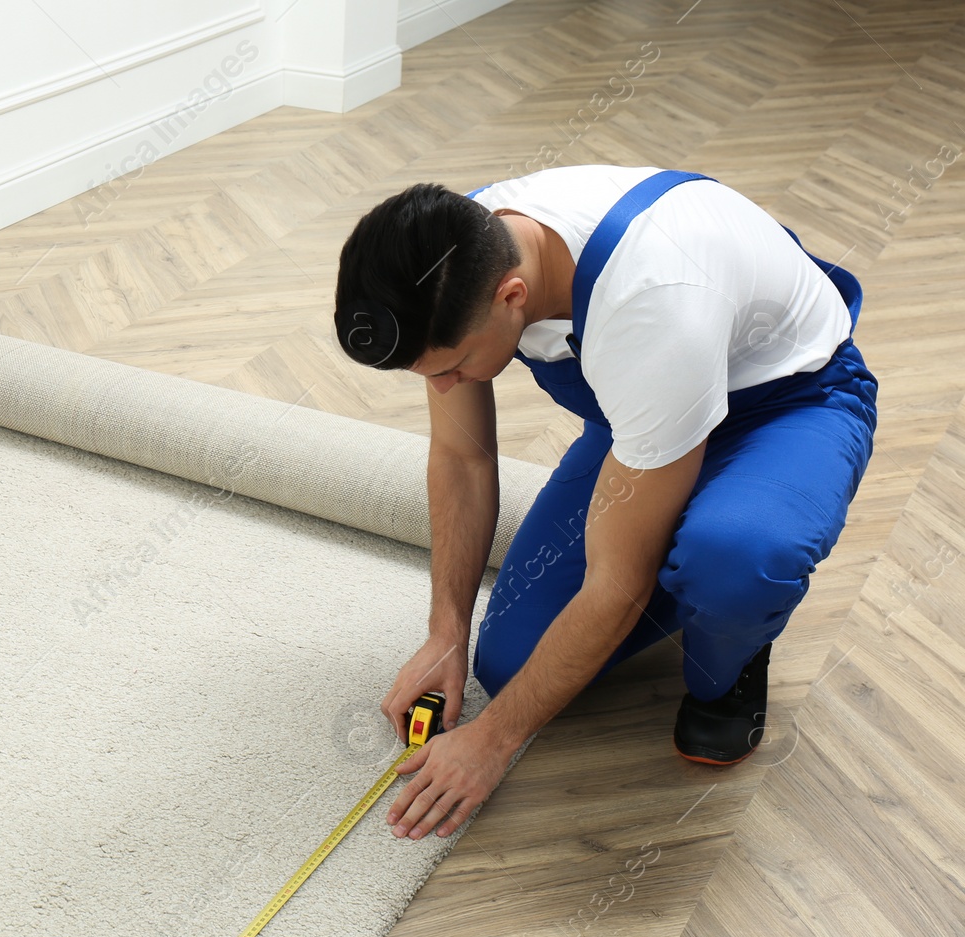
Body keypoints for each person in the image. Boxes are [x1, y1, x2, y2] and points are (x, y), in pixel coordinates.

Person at [331, 165, 877, 842]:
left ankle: (733, 649)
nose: (443, 388)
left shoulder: (651, 307)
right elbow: (463, 457)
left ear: (513, 295)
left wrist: (493, 742)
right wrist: (447, 631)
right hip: (648, 416)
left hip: (787, 403)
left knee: (734, 559)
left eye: (453, 367)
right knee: (509, 663)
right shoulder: (454, 250)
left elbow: (616, 584)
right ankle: (690, 542)